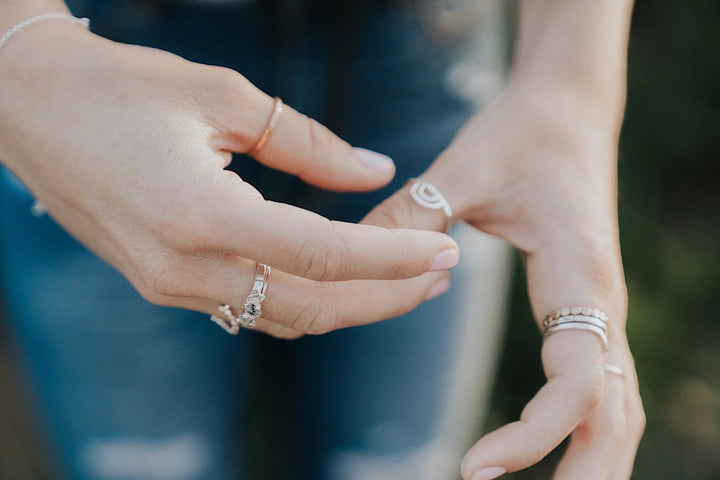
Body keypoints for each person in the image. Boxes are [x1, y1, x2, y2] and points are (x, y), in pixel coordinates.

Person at [0, 0, 644, 479]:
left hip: (428, 65)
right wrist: (22, 56)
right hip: (95, 82)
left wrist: (570, 87)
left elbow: (570, 84)